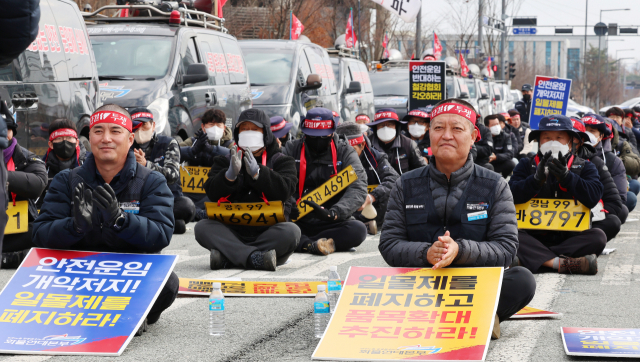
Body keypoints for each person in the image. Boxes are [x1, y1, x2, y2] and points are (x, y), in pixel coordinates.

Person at [379, 98, 536, 339]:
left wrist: (460, 251)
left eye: (457, 128)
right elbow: (389, 244)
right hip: (421, 283)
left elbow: (506, 248)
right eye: (438, 127)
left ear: (474, 136)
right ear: (429, 133)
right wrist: (425, 253)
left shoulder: (494, 185)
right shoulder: (406, 183)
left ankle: (478, 313)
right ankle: (477, 318)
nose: (446, 135)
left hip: (471, 283)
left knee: (522, 280)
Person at [32, 104, 178, 325]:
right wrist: (75, 226)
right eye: (98, 131)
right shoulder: (66, 180)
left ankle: (138, 315)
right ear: (89, 137)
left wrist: (121, 220)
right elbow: (40, 233)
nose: (106, 138)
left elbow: (161, 234)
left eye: (115, 131)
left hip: (128, 276)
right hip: (78, 277)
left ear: (130, 139)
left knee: (168, 283)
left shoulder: (151, 180)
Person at [194, 109, 300, 271]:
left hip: (268, 232)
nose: (249, 133)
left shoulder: (282, 161)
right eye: (244, 129)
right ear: (237, 133)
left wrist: (259, 174)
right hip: (232, 231)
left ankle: (229, 258)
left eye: (254, 129)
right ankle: (256, 258)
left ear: (265, 132)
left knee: (291, 232)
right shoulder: (225, 160)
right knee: (202, 228)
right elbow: (211, 192)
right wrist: (228, 176)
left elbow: (285, 190)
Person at [509, 115, 606, 275]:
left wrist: (569, 178)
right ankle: (561, 263)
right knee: (509, 235)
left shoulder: (584, 166)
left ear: (571, 141)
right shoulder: (526, 164)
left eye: (559, 137)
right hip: (532, 235)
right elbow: (509, 195)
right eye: (547, 137)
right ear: (539, 141)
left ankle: (533, 260)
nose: (552, 142)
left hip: (570, 237)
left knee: (598, 237)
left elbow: (593, 196)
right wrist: (534, 181)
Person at [282, 107, 368, 255]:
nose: (317, 140)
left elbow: (358, 186)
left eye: (322, 136)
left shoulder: (345, 151)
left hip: (331, 219)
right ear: (304, 133)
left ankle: (304, 243)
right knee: (276, 230)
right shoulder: (291, 148)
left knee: (359, 230)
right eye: (312, 136)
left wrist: (335, 212)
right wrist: (289, 205)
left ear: (332, 132)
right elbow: (279, 180)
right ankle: (312, 244)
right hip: (297, 218)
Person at [130, 108, 195, 234]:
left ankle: (146, 221)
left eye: (144, 125)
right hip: (135, 201)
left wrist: (146, 165)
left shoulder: (168, 143)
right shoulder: (127, 145)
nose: (140, 129)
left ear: (153, 125)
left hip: (165, 199)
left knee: (187, 206)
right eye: (136, 126)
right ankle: (163, 223)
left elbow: (172, 175)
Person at [0, 115, 47, 268]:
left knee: (44, 230)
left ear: (12, 131)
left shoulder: (26, 157)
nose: (2, 131)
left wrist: (4, 177)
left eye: (6, 128)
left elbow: (38, 184)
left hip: (20, 228)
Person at [335, 122, 399, 235]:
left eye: (352, 151)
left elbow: (394, 179)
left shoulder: (376, 157)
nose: (348, 156)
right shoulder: (331, 157)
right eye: (343, 151)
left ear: (362, 145)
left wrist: (371, 196)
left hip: (372, 209)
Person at [572, 118, 623, 240]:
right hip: (540, 227)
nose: (555, 142)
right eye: (548, 137)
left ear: (581, 141)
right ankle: (556, 257)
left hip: (582, 224)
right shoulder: (531, 163)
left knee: (610, 225)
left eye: (572, 137)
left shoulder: (594, 162)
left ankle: (548, 255)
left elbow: (614, 201)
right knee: (521, 236)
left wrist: (588, 214)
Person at [179, 109, 231, 217]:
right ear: (203, 127)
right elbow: (173, 153)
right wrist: (192, 150)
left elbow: (236, 157)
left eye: (218, 125)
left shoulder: (230, 144)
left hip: (218, 191)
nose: (215, 128)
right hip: (191, 192)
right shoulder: (193, 141)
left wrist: (212, 150)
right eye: (211, 124)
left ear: (224, 128)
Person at [583, 114, 632, 220]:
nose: (586, 134)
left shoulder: (613, 161)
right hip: (566, 206)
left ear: (601, 136)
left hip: (597, 207)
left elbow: (619, 198)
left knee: (620, 212)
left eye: (592, 131)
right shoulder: (565, 154)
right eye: (583, 130)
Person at [38, 119, 87, 209]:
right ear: (51, 144)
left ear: (77, 142)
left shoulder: (89, 165)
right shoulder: (42, 169)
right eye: (59, 138)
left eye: (69, 138)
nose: (65, 142)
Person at [368, 108, 427, 175]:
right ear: (375, 128)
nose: (385, 128)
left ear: (396, 126)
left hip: (403, 184)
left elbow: (423, 171)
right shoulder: (367, 145)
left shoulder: (408, 144)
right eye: (381, 125)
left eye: (390, 124)